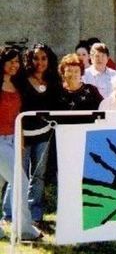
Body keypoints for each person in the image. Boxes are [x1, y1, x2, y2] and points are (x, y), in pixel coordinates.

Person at [9, 43, 62, 225]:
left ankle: (35, 213)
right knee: (17, 173)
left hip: (44, 135)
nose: (40, 62)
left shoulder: (54, 81)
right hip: (23, 134)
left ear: (49, 60)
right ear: (30, 59)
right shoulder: (21, 80)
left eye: (43, 58)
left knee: (38, 175)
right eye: (36, 58)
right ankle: (10, 213)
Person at [0, 46, 42, 240]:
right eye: (11, 61)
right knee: (21, 181)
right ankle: (24, 229)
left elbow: (19, 116)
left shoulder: (18, 84)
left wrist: (21, 140)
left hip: (13, 138)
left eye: (17, 61)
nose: (14, 65)